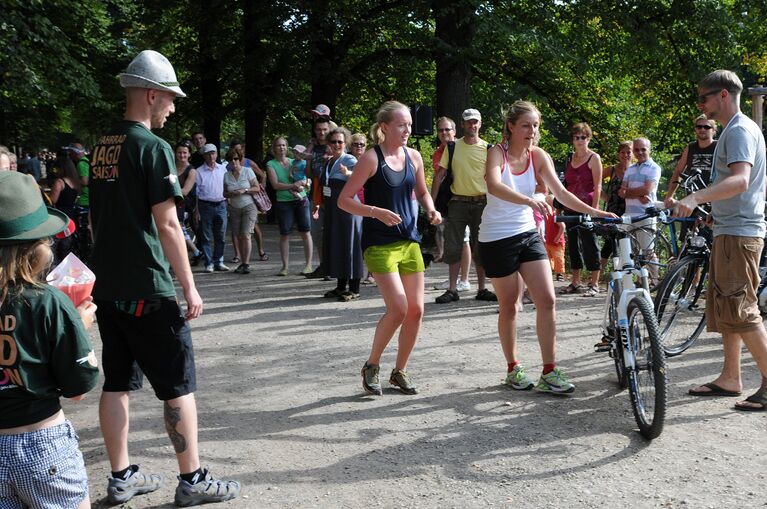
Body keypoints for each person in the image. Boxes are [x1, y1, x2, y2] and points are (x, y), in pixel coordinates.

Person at [89, 49, 240, 505]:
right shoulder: (151, 148)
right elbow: (169, 223)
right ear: (151, 95)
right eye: (170, 98)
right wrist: (189, 285)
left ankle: (122, 476)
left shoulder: (102, 146)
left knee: (117, 382)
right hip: (148, 288)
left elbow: (99, 218)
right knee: (177, 385)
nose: (173, 107)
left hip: (109, 286)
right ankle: (192, 480)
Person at [479, 100, 615, 394]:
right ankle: (513, 368)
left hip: (527, 233)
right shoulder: (497, 153)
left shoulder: (539, 155)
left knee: (548, 299)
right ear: (511, 126)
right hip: (496, 237)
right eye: (526, 125)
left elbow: (562, 192)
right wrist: (529, 200)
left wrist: (597, 212)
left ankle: (550, 370)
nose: (532, 131)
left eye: (536, 125)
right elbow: (493, 184)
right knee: (510, 306)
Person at [0, 171, 99, 509]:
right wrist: (79, 326)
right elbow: (77, 388)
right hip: (42, 443)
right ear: (36, 246)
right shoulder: (48, 301)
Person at [672, 69, 767, 412]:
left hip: (740, 233)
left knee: (742, 310)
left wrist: (697, 199)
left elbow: (741, 180)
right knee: (728, 306)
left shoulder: (739, 130)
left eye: (704, 98)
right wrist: (716, 211)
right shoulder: (737, 130)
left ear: (723, 95)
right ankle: (730, 378)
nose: (701, 105)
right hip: (730, 227)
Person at [338, 100, 441, 396]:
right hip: (379, 243)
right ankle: (372, 365)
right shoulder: (371, 158)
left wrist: (431, 210)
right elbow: (344, 200)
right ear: (384, 127)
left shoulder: (415, 156)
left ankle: (400, 371)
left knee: (417, 310)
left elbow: (421, 191)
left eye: (409, 124)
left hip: (409, 240)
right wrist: (376, 212)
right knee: (398, 308)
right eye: (401, 124)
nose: (407, 129)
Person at [433, 108, 496, 304]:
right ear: (462, 124)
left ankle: (482, 288)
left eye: (475, 121)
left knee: (481, 246)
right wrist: (431, 205)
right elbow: (440, 175)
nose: (472, 125)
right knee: (453, 246)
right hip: (457, 202)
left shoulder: (489, 148)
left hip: (482, 203)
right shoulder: (452, 147)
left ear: (480, 123)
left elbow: (496, 179)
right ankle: (452, 289)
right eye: (468, 122)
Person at [559, 122, 603, 296]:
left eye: (583, 137)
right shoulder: (570, 158)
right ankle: (575, 281)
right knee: (573, 245)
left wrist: (595, 210)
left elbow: (598, 186)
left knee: (590, 244)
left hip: (587, 207)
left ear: (589, 138)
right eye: (576, 137)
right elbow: (565, 184)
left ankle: (594, 283)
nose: (579, 141)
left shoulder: (594, 158)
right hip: (570, 206)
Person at [321, 127, 364, 301]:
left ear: (345, 143)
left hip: (349, 211)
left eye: (340, 141)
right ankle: (340, 286)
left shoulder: (350, 159)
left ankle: (354, 288)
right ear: (328, 143)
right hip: (334, 210)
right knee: (338, 245)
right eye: (333, 141)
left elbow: (362, 175)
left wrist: (349, 173)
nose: (337, 144)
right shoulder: (330, 162)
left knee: (350, 245)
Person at [430, 116, 473, 292]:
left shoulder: (461, 147)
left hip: (462, 200)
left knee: (464, 239)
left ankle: (464, 280)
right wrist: (431, 203)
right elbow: (438, 178)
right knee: (452, 240)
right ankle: (453, 280)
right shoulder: (439, 151)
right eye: (441, 130)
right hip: (446, 201)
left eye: (447, 129)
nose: (444, 133)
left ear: (455, 131)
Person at [663, 114, 718, 241]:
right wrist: (669, 196)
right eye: (699, 126)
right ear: (695, 129)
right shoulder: (691, 147)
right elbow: (678, 171)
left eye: (706, 126)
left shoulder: (719, 146)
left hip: (712, 201)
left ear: (713, 130)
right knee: (686, 240)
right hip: (691, 200)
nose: (702, 129)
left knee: (708, 241)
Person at [266, 137, 314, 276]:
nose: (281, 148)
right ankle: (285, 266)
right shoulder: (271, 164)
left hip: (301, 200)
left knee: (305, 231)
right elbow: (275, 185)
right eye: (278, 145)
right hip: (283, 202)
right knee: (285, 234)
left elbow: (308, 176)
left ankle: (309, 265)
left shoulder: (296, 160)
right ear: (274, 148)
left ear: (287, 148)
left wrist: (306, 183)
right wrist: (293, 185)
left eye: (283, 145)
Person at [618, 137, 661, 285]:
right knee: (632, 250)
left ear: (649, 149)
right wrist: (638, 193)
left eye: (643, 149)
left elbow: (647, 189)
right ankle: (639, 280)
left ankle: (655, 282)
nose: (640, 152)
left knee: (648, 251)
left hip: (646, 214)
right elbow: (621, 192)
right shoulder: (630, 169)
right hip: (629, 215)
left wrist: (632, 192)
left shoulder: (654, 168)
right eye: (637, 149)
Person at [227, 141, 268, 263]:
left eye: (239, 150)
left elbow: (262, 175)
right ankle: (237, 255)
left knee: (253, 228)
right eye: (235, 149)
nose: (237, 153)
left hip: (250, 201)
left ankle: (261, 250)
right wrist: (229, 196)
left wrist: (261, 191)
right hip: (234, 203)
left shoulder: (249, 163)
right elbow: (226, 186)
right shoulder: (228, 167)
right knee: (235, 230)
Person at [224, 148, 260, 274]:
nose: (233, 162)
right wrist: (230, 194)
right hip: (234, 208)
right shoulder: (226, 175)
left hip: (248, 207)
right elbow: (224, 193)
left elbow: (257, 188)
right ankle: (242, 262)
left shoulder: (248, 171)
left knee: (246, 234)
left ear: (240, 159)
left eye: (236, 159)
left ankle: (246, 263)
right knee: (238, 236)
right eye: (230, 159)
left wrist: (244, 190)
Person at [195, 143, 230, 273]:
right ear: (204, 156)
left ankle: (219, 261)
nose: (211, 156)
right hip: (205, 205)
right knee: (206, 236)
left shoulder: (223, 169)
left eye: (213, 153)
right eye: (208, 154)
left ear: (216, 154)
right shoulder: (198, 171)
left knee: (221, 235)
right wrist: (196, 211)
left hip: (221, 204)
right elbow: (196, 193)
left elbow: (228, 187)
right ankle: (209, 263)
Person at [598, 141, 631, 275]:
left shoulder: (635, 169)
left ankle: (625, 275)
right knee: (609, 244)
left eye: (628, 152)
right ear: (618, 154)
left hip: (629, 211)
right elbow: (595, 182)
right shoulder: (611, 169)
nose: (625, 155)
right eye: (622, 152)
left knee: (628, 244)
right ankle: (597, 276)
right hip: (613, 211)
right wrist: (605, 197)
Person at [174, 141, 203, 264]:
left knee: (178, 231)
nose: (182, 155)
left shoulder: (192, 171)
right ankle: (196, 252)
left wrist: (166, 190)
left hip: (184, 206)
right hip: (171, 204)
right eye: (179, 152)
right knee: (178, 231)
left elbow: (185, 191)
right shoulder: (171, 167)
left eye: (184, 153)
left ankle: (184, 259)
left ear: (189, 154)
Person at [64, 143, 90, 209]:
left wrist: (70, 181)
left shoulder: (81, 164)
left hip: (84, 200)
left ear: (75, 152)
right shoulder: (87, 160)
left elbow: (84, 182)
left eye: (70, 152)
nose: (69, 155)